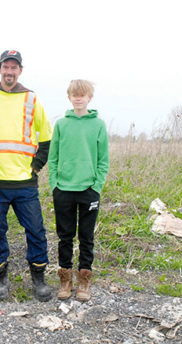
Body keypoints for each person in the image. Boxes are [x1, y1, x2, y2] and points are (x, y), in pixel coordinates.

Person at [0, 50, 53, 302]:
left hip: (25, 182)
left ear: (20, 71)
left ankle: (38, 278)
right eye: (6, 67)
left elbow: (46, 138)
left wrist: (36, 167)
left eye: (14, 68)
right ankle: (1, 278)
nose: (9, 72)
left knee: (36, 231)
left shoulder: (32, 99)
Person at [48, 80, 109, 301]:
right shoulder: (62, 124)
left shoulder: (98, 125)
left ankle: (84, 279)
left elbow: (103, 160)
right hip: (63, 188)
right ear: (69, 97)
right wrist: (54, 183)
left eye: (82, 95)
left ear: (89, 97)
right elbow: (53, 157)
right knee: (64, 236)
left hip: (88, 190)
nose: (78, 98)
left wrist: (96, 186)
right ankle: (65, 279)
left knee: (86, 236)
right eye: (74, 95)